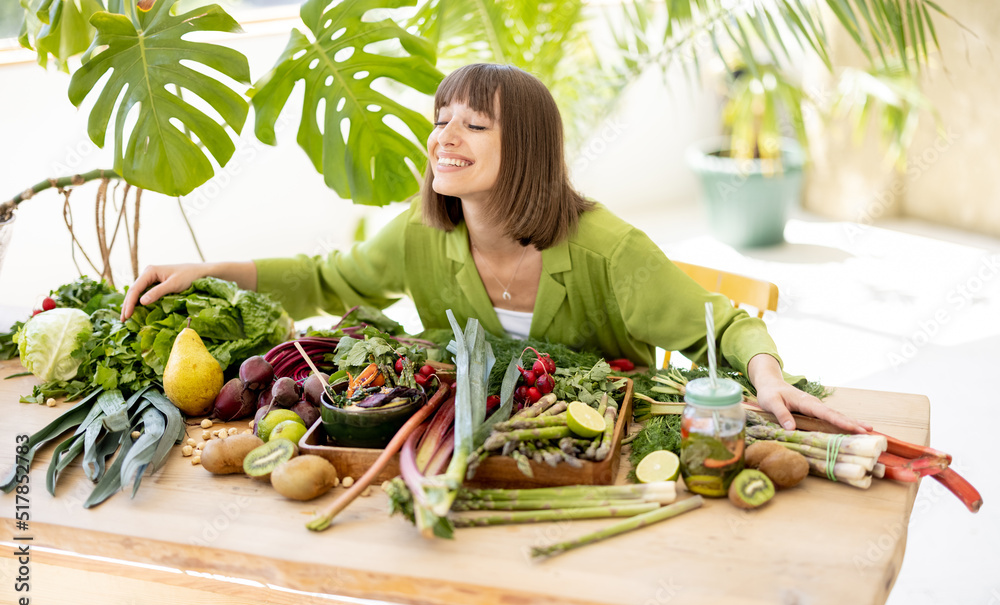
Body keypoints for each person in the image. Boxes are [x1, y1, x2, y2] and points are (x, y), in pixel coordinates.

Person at [121, 63, 868, 434]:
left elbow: (726, 324)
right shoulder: (424, 234)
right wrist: (208, 268)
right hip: (474, 457)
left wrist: (766, 378)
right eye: (441, 120)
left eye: (473, 125)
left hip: (595, 460)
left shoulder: (609, 249)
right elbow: (326, 277)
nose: (444, 138)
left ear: (530, 149)